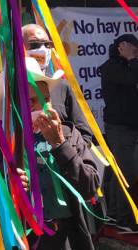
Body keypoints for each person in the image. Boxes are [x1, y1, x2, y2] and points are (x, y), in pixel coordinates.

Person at [20, 57, 99, 249]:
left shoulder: (69, 134)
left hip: (67, 238)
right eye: (31, 100)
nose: (41, 106)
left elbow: (90, 187)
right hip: (26, 239)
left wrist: (59, 144)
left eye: (45, 98)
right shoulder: (5, 142)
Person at [21, 23, 93, 145]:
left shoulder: (62, 87)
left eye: (47, 44)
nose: (43, 49)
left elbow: (84, 135)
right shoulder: (7, 91)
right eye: (35, 44)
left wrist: (64, 149)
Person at [100, 33, 138, 232]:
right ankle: (125, 220)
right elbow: (132, 78)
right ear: (122, 47)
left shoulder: (130, 65)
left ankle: (115, 214)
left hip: (130, 127)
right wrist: (132, 59)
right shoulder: (111, 68)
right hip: (119, 128)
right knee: (127, 174)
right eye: (132, 48)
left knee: (121, 172)